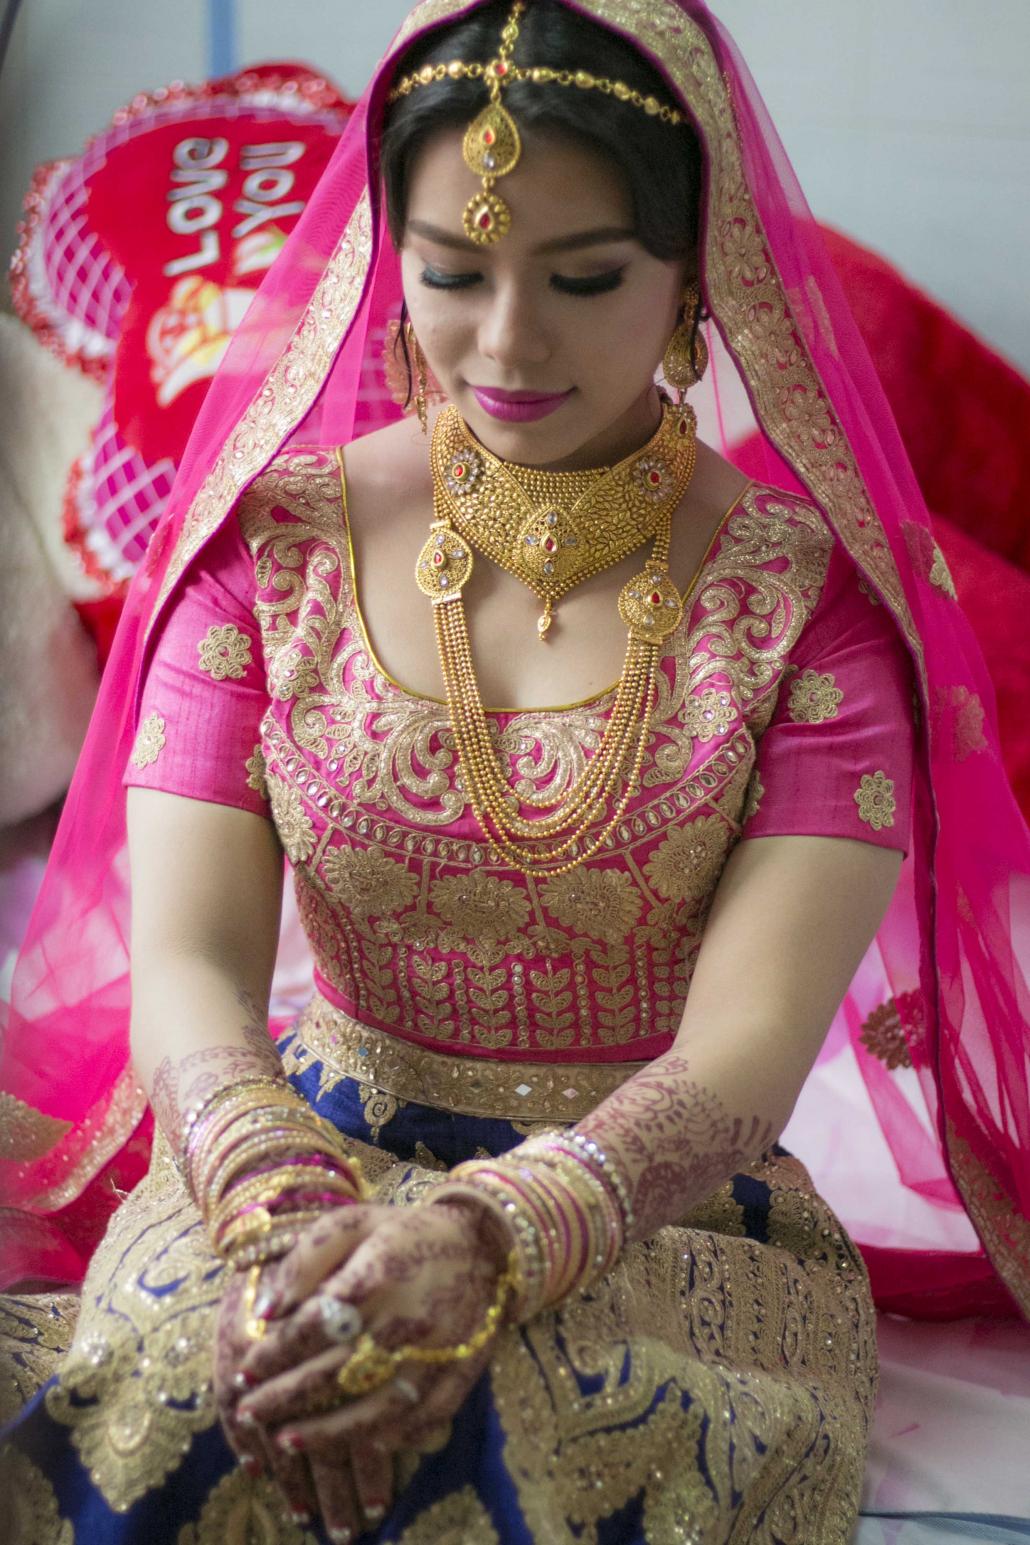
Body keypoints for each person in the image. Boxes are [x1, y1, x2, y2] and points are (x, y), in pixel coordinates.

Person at [2, 2, 1027, 1541]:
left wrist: (485, 1239)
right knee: (190, 1404)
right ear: (381, 257)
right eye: (453, 270)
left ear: (699, 273)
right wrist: (287, 1214)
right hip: (288, 1162)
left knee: (512, 1444)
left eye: (585, 276)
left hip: (653, 1204)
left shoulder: (809, 613)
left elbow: (743, 1059)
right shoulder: (264, 555)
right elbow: (190, 967)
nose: (505, 341)